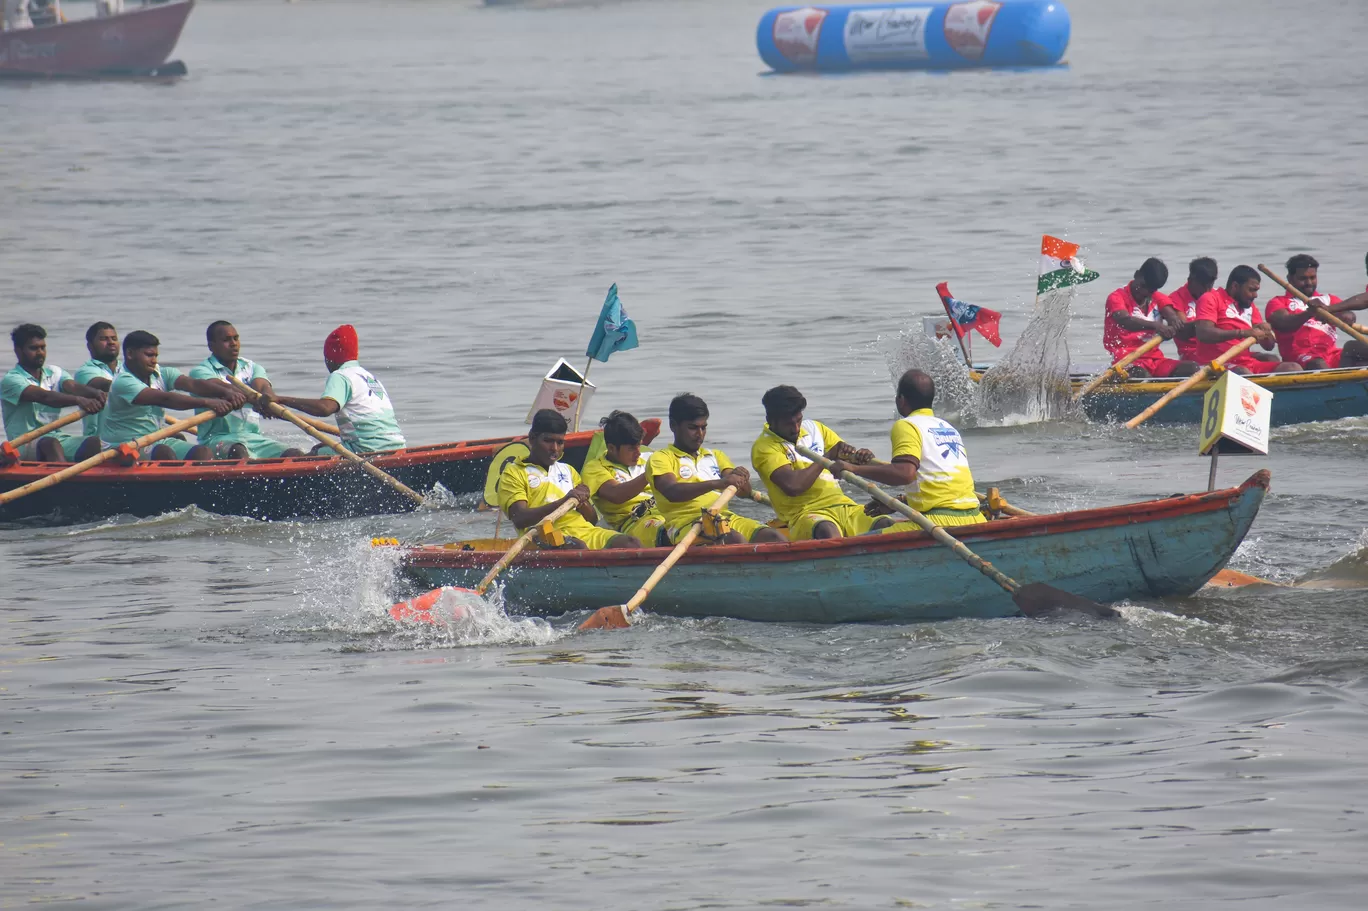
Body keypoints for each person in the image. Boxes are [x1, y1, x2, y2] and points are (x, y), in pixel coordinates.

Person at [838, 369, 987, 531]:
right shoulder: (947, 427)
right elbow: (939, 484)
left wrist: (852, 469)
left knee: (862, 545)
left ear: (901, 400)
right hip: (976, 518)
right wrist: (898, 503)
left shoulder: (907, 425)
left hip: (937, 523)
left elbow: (905, 474)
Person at [750, 385, 894, 540]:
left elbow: (845, 459)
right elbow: (794, 486)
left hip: (845, 506)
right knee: (827, 530)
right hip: (806, 514)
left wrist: (862, 457)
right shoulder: (764, 448)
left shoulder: (815, 428)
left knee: (887, 524)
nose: (796, 428)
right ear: (770, 420)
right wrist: (828, 457)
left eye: (798, 420)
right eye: (788, 424)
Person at [646, 393, 786, 546]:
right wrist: (718, 483)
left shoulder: (716, 456)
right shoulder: (661, 458)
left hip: (725, 518)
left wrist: (741, 478)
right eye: (692, 428)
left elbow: (743, 492)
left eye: (703, 427)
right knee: (734, 539)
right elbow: (672, 492)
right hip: (687, 525)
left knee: (774, 537)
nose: (699, 434)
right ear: (673, 425)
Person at [497, 409, 638, 550]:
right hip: (543, 536)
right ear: (532, 438)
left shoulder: (568, 470)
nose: (555, 448)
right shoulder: (513, 473)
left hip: (584, 532)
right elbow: (520, 518)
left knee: (630, 543)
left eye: (560, 442)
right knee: (579, 547)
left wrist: (583, 502)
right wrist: (564, 501)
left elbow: (592, 519)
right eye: (548, 441)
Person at [101, 330, 246, 461]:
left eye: (156, 355)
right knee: (163, 453)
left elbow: (193, 384)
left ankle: (201, 488)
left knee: (202, 452)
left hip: (156, 440)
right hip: (124, 445)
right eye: (149, 355)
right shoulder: (123, 381)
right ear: (130, 354)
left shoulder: (162, 373)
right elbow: (166, 399)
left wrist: (227, 392)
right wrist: (208, 403)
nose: (154, 361)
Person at [272, 325, 406, 454]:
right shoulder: (369, 377)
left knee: (298, 454)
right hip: (397, 447)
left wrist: (282, 399)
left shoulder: (340, 376)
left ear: (330, 358)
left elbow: (325, 408)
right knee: (322, 448)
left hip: (364, 452)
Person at [189, 321, 305, 459]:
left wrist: (267, 399)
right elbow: (222, 388)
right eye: (226, 340)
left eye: (236, 338)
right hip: (216, 440)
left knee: (294, 455)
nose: (233, 343)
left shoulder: (252, 367)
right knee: (238, 451)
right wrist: (256, 400)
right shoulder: (200, 371)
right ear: (211, 346)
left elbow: (263, 388)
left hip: (254, 439)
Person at [2, 324, 105, 462]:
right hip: (22, 444)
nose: (40, 352)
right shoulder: (11, 380)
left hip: (57, 438)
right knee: (49, 444)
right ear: (18, 351)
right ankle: (64, 483)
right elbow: (45, 397)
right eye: (33, 348)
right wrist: (79, 400)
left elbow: (73, 386)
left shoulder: (54, 372)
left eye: (42, 347)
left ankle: (96, 481)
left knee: (96, 443)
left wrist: (97, 393)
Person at [1264, 254, 1368, 370]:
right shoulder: (1278, 302)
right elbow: (1284, 323)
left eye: (1312, 278)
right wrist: (1310, 313)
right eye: (1303, 279)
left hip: (1331, 354)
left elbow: (1348, 315)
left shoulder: (1329, 300)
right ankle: (1336, 385)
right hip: (1300, 358)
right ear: (1290, 279)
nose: (1309, 282)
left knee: (1356, 347)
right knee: (1317, 363)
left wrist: (1347, 317)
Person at [580, 410, 667, 547]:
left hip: (666, 510)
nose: (638, 452)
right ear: (612, 448)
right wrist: (649, 474)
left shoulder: (649, 458)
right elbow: (616, 494)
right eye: (632, 448)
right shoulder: (595, 468)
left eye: (639, 445)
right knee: (667, 530)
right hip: (635, 523)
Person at [1193, 266, 1300, 375]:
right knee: (1242, 372)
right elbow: (1204, 333)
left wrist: (1266, 334)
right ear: (1235, 286)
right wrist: (1242, 333)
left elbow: (1269, 346)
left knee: (1292, 367)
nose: (1255, 295)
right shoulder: (1211, 298)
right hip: (1215, 364)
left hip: (1245, 362)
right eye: (1251, 290)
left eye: (1256, 290)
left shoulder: (1249, 306)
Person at [1103, 258, 1199, 378]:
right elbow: (1125, 321)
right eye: (1143, 286)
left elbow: (1171, 316)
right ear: (1137, 275)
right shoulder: (1117, 298)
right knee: (1142, 375)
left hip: (1155, 360)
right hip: (1126, 361)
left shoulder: (1158, 298)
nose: (1145, 292)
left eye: (1151, 290)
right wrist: (1156, 326)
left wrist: (1175, 323)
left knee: (1193, 368)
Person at [73, 321, 121, 441]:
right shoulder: (85, 372)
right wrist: (139, 389)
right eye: (104, 339)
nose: (111, 342)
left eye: (114, 338)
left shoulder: (128, 369)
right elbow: (102, 384)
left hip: (128, 434)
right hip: (97, 440)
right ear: (90, 346)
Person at [1164, 257, 1218, 363]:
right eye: (1203, 286)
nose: (1207, 291)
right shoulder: (1176, 299)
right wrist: (1208, 323)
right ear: (1191, 280)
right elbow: (1183, 331)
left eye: (1210, 285)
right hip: (1192, 354)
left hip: (1218, 350)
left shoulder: (1217, 295)